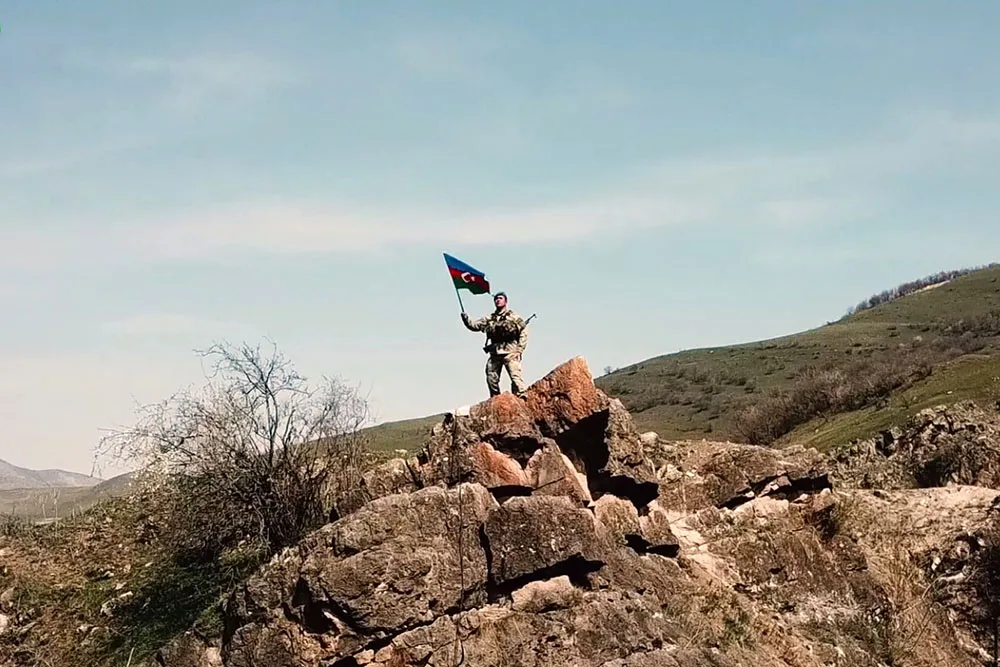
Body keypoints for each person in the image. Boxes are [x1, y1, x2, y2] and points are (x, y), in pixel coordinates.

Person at [461, 291, 528, 396]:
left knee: (515, 377)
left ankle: (521, 396)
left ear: (505, 301)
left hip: (510, 351)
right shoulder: (490, 318)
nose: (498, 300)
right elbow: (474, 326)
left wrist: (520, 349)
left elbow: (523, 331)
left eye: (500, 298)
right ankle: (496, 399)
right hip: (495, 352)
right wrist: (466, 319)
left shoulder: (513, 317)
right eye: (496, 299)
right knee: (491, 377)